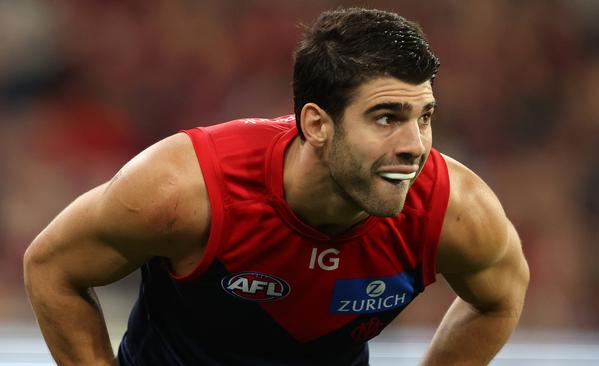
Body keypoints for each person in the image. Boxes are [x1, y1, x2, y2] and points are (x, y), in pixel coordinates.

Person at [24, 7, 529, 366]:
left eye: (424, 117)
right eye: (386, 117)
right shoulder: (184, 189)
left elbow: (500, 296)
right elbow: (52, 267)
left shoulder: (452, 209)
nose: (415, 145)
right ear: (316, 124)